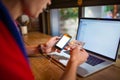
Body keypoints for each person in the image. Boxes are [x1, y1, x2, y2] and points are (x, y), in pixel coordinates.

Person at [0, 0, 88, 80]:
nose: (49, 2)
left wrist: (43, 48)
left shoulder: (10, 24)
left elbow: (14, 50)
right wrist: (74, 62)